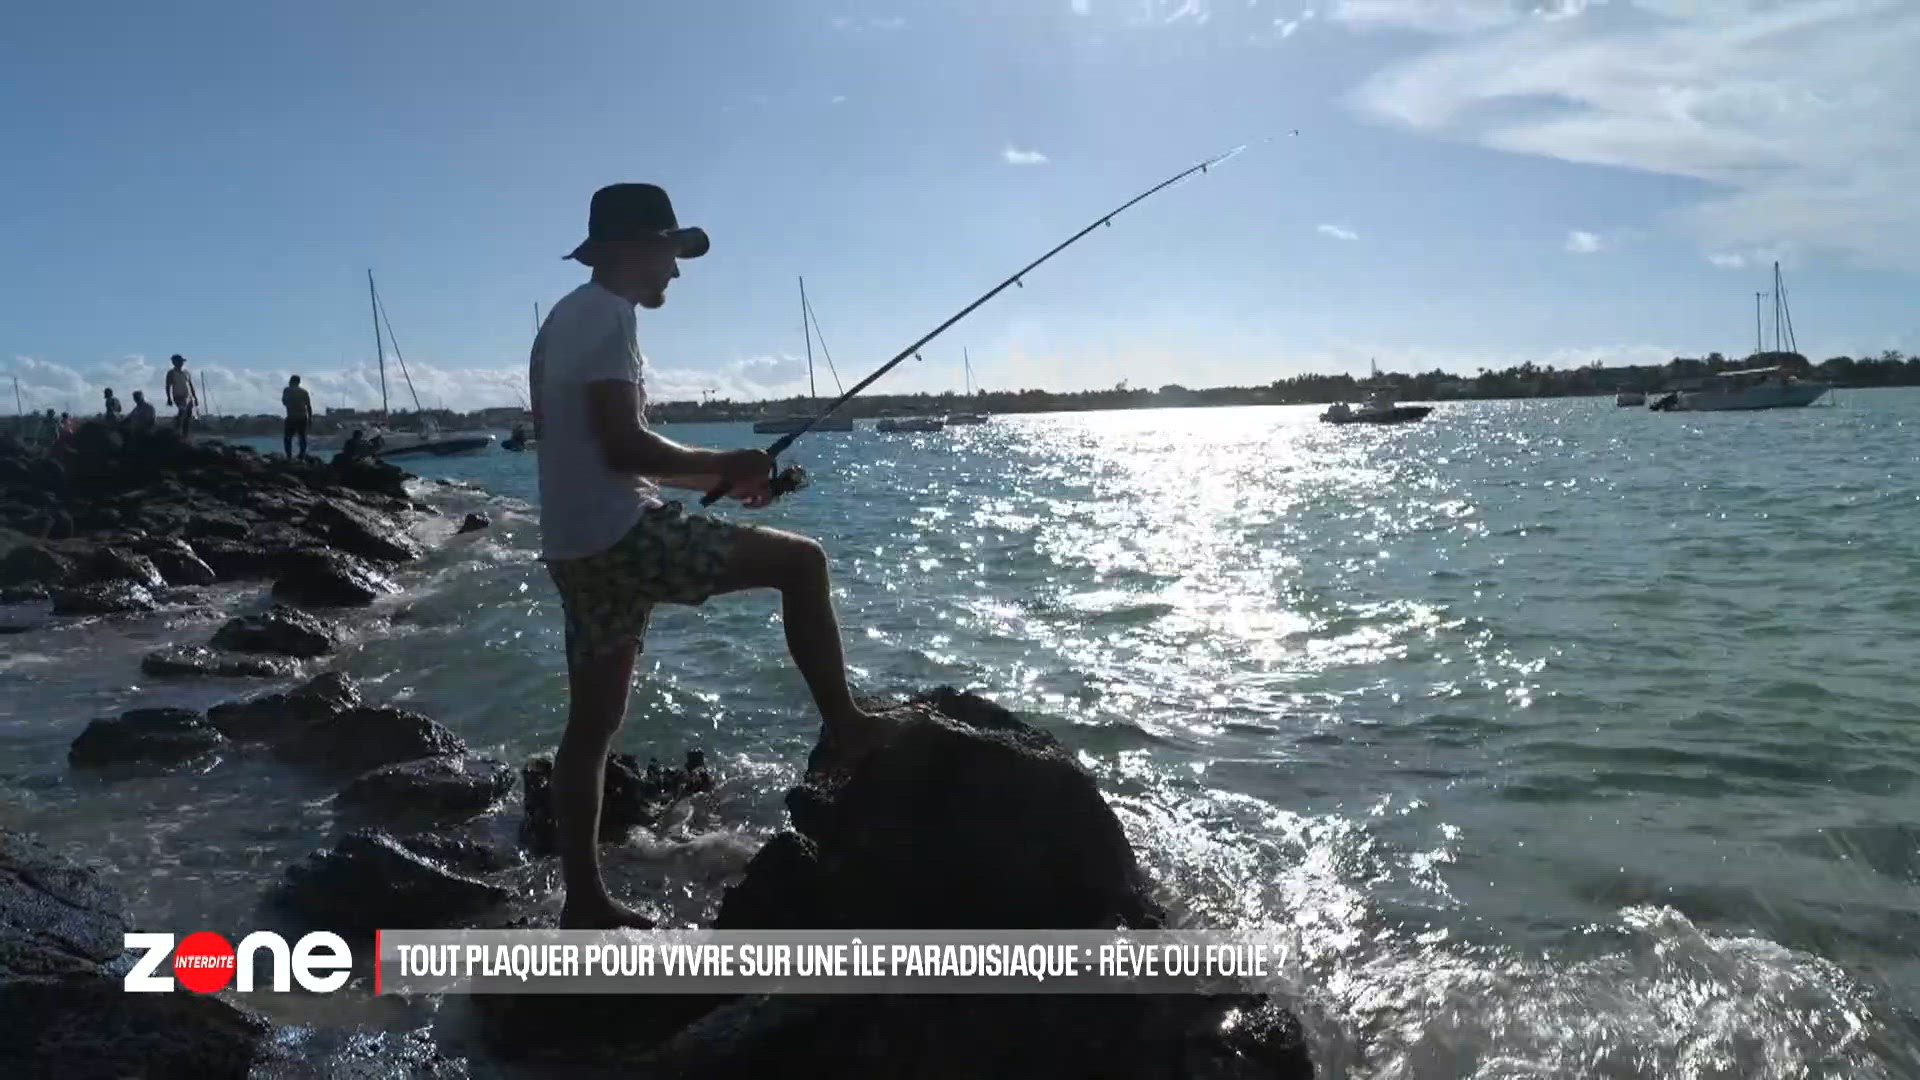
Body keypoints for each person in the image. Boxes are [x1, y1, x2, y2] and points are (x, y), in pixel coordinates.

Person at [533, 182, 897, 928]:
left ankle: (585, 902)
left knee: (592, 727)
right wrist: (727, 458)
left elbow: (604, 454)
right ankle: (849, 727)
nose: (675, 270)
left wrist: (718, 480)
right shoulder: (607, 318)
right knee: (804, 565)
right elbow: (624, 446)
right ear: (632, 248)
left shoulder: (564, 320)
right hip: (621, 535)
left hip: (574, 544)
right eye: (669, 252)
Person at [164, 354, 197, 437]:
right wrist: (169, 398)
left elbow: (190, 385)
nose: (181, 363)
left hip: (188, 396)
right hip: (178, 396)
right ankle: (177, 429)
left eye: (181, 361)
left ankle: (185, 434)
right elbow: (168, 386)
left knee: (188, 415)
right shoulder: (171, 373)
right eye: (179, 361)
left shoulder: (186, 372)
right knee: (182, 412)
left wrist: (194, 397)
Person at [282, 375, 313, 458]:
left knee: (288, 438)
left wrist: (291, 404)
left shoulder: (287, 390)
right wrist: (310, 418)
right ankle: (301, 455)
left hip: (292, 417)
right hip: (302, 417)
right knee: (302, 437)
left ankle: (289, 456)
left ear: (291, 381)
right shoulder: (304, 392)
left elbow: (284, 402)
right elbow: (309, 406)